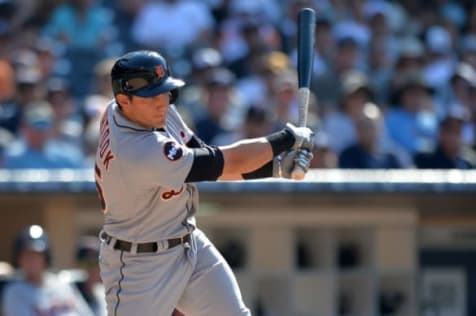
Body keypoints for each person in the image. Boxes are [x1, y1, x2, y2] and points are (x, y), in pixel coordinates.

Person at [94, 50, 314, 316]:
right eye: (151, 97)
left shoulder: (138, 111)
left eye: (165, 92)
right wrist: (285, 139)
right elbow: (225, 163)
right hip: (138, 264)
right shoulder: (139, 151)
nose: (162, 102)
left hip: (187, 242)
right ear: (123, 100)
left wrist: (277, 167)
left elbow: (206, 156)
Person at [2, 225, 94, 316]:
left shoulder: (63, 285)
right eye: (27, 256)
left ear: (46, 258)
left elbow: (86, 313)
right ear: (19, 259)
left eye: (36, 256)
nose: (32, 261)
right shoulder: (15, 292)